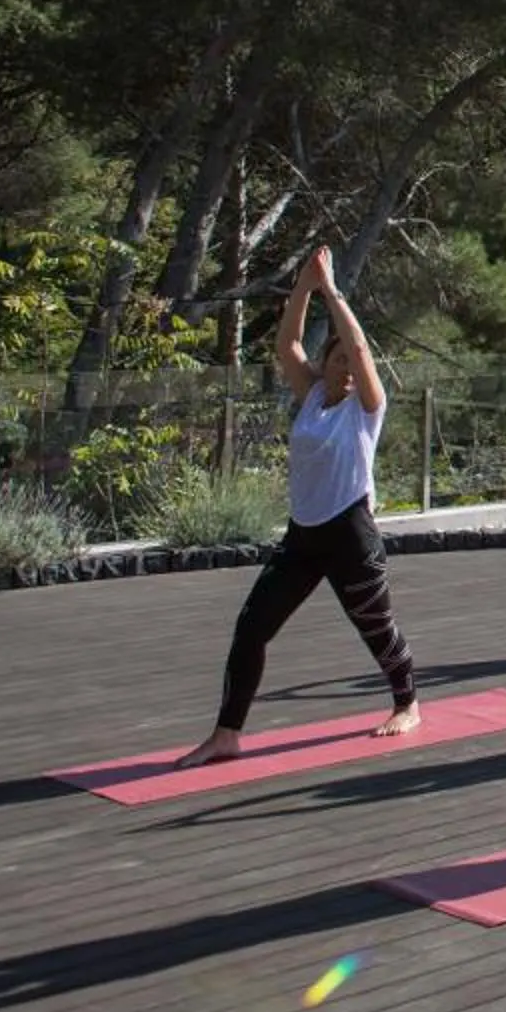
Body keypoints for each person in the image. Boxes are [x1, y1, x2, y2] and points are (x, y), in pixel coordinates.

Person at [176, 245, 419, 767]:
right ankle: (226, 734)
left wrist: (332, 290)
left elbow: (361, 347)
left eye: (354, 362)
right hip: (303, 538)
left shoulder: (366, 411)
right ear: (325, 365)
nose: (350, 368)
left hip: (351, 536)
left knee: (376, 628)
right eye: (339, 360)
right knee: (252, 627)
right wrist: (304, 287)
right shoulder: (311, 395)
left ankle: (407, 703)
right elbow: (286, 342)